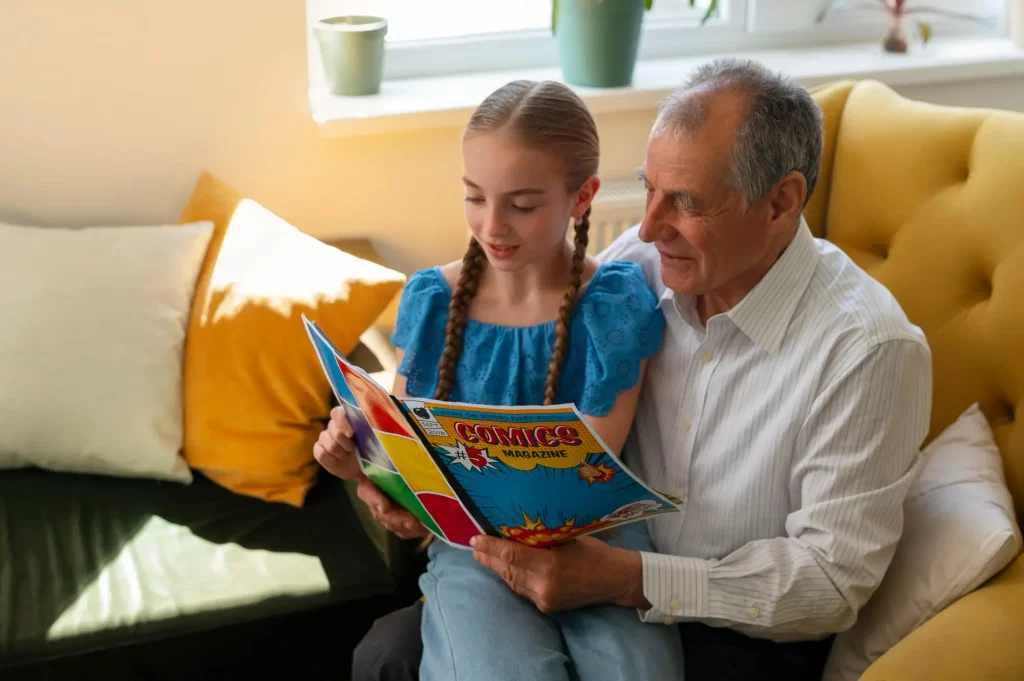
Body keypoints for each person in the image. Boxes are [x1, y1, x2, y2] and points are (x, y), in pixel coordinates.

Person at [320, 58, 933, 681]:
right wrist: (390, 480)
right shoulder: (642, 265)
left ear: (780, 202)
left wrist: (631, 580)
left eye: (686, 201)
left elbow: (830, 583)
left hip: (733, 621)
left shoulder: (868, 351)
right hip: (558, 559)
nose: (647, 226)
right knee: (387, 653)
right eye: (649, 189)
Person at [314, 79, 686, 681]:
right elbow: (408, 454)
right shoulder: (434, 300)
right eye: (474, 197)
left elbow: (588, 471)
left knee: (638, 673)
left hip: (595, 545)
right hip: (472, 552)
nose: (492, 225)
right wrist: (359, 467)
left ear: (583, 196)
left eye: (522, 203)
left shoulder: (611, 303)